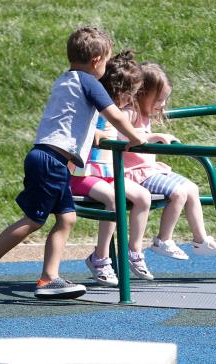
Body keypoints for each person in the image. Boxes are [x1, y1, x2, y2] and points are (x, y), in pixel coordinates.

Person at [0, 26, 148, 300]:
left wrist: (92, 134)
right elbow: (116, 117)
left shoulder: (66, 80)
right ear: (97, 60)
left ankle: (48, 278)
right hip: (52, 161)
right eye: (107, 61)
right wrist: (136, 139)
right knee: (34, 219)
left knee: (67, 218)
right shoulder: (89, 82)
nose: (107, 67)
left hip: (51, 160)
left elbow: (69, 119)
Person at [120, 62, 216, 261]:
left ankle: (200, 240)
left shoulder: (144, 113)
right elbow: (119, 135)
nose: (162, 105)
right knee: (178, 193)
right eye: (158, 99)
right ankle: (163, 239)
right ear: (142, 93)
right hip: (133, 174)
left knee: (192, 188)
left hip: (149, 170)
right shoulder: (130, 111)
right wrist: (152, 137)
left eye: (164, 100)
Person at [70, 50, 155, 286]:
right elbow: (72, 127)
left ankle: (134, 251)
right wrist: (93, 133)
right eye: (130, 95)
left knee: (143, 197)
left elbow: (128, 133)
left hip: (106, 173)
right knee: (114, 200)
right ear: (119, 91)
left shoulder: (116, 110)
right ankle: (100, 257)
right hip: (81, 174)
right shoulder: (91, 104)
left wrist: (148, 137)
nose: (131, 100)